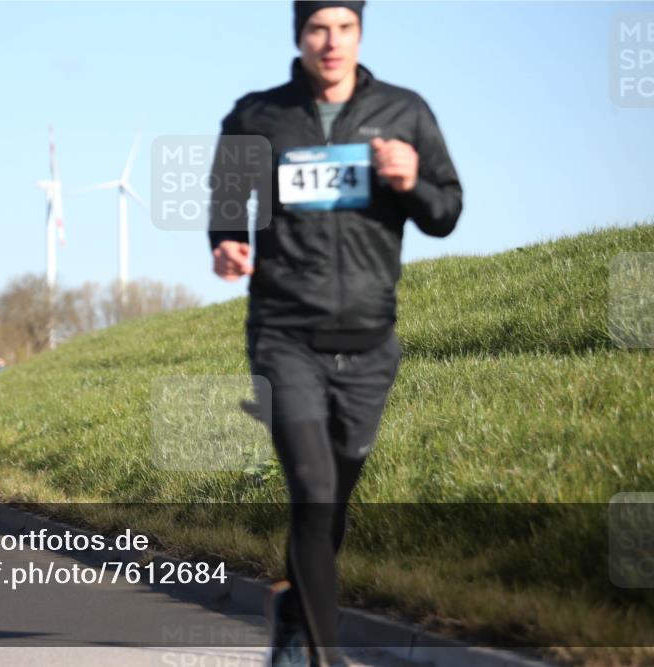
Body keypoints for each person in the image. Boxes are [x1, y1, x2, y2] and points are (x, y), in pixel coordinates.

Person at [208, 3, 462, 665]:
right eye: (318, 28)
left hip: (371, 343)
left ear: (360, 32)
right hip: (284, 333)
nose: (332, 42)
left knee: (330, 506)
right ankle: (325, 656)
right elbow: (226, 211)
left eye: (344, 27)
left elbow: (447, 211)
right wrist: (227, 246)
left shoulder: (405, 113)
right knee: (313, 488)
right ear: (298, 35)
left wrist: (409, 181)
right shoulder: (256, 116)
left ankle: (292, 612)